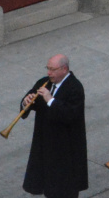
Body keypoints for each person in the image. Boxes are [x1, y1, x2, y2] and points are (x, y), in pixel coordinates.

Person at [21, 54, 87, 198]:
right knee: (48, 185)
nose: (48, 73)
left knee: (64, 188)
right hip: (45, 142)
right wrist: (26, 102)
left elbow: (70, 115)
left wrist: (50, 100)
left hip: (66, 147)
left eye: (52, 69)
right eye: (48, 68)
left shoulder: (75, 88)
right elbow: (30, 99)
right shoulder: (44, 83)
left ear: (64, 69)